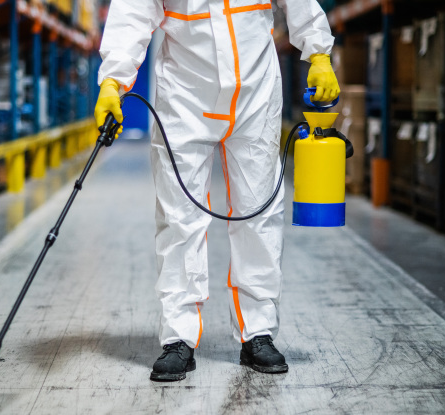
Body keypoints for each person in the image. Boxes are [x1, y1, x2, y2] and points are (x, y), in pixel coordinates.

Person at [94, 0, 340, 382]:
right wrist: (113, 79)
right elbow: (134, 12)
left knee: (259, 212)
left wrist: (319, 52)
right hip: (185, 94)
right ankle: (178, 337)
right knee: (179, 218)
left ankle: (257, 331)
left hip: (254, 91)